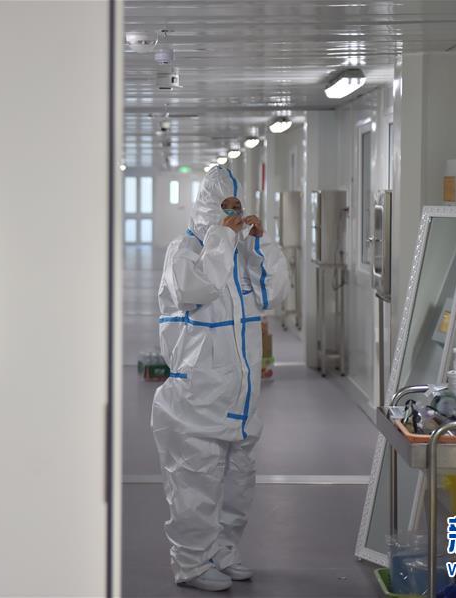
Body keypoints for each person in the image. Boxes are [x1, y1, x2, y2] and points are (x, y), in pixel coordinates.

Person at [151, 166, 291, 591]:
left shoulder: (238, 253)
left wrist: (259, 244)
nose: (232, 214)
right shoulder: (184, 251)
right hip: (196, 398)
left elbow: (273, 293)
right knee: (195, 482)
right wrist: (222, 241)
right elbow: (195, 291)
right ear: (206, 209)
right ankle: (191, 563)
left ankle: (223, 551)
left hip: (240, 398)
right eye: (224, 207)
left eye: (237, 206)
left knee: (237, 483)